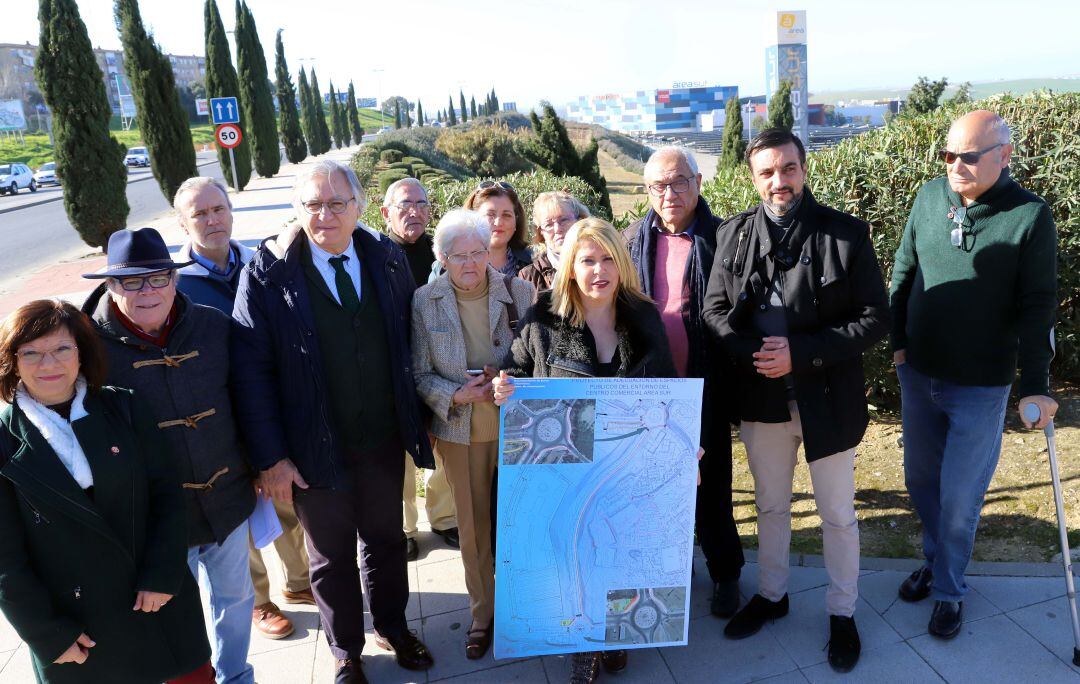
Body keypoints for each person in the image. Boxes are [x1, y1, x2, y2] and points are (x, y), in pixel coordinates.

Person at [231, 160, 436, 684]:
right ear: (298, 211)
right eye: (313, 205)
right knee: (329, 558)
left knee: (388, 541)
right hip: (310, 449)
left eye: (336, 203)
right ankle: (346, 651)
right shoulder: (267, 271)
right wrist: (270, 457)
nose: (325, 215)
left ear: (359, 207)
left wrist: (419, 419)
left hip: (381, 439)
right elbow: (250, 371)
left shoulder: (386, 258)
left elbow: (408, 345)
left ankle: (392, 625)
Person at [702, 129, 890, 673]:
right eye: (767, 172)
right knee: (771, 506)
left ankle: (842, 612)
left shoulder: (846, 234)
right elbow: (714, 312)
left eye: (787, 168)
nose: (778, 181)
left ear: (803, 169)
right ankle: (773, 594)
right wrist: (756, 353)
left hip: (827, 399)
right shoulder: (734, 235)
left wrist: (801, 354)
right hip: (761, 399)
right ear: (752, 176)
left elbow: (875, 318)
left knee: (836, 514)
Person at [889, 110, 1058, 639]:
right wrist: (897, 345)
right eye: (947, 155)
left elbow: (1037, 308)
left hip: (981, 387)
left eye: (967, 156)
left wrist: (1035, 384)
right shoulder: (927, 198)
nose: (953, 166)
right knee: (920, 483)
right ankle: (937, 562)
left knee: (960, 499)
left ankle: (948, 590)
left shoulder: (1030, 217)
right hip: (919, 376)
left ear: (1004, 155)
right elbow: (902, 271)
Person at [493, 217, 675, 684]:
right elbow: (515, 372)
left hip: (627, 458)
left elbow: (668, 392)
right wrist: (504, 389)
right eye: (588, 260)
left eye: (609, 259)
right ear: (570, 266)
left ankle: (614, 634)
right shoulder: (542, 319)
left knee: (618, 547)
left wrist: (681, 449)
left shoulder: (645, 316)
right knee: (571, 543)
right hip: (565, 462)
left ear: (622, 264)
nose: (599, 270)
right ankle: (582, 644)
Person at [0, 299, 212, 683]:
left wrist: (163, 575)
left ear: (82, 351)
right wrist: (48, 636)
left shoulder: (124, 406)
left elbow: (167, 495)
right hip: (80, 631)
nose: (49, 364)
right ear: (12, 360)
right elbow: (5, 561)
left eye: (62, 348)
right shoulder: (4, 440)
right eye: (31, 352)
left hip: (158, 601)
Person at [81, 227, 257, 684]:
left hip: (227, 498)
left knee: (236, 599)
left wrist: (261, 462)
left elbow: (248, 399)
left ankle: (235, 675)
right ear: (111, 286)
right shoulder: (88, 350)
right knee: (174, 615)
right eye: (132, 282)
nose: (148, 292)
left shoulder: (214, 326)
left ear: (175, 280)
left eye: (158, 278)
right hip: (154, 520)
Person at [173, 176, 316, 641]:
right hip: (216, 419)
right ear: (183, 222)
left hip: (271, 407)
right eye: (200, 214)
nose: (212, 220)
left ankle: (300, 582)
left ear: (231, 211)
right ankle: (259, 601)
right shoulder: (177, 288)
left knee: (287, 497)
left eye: (218, 209)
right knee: (238, 516)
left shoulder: (260, 264)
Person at [623, 146, 745, 619]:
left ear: (698, 182)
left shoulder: (724, 236)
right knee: (654, 489)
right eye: (657, 185)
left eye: (678, 182)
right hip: (650, 388)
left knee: (711, 487)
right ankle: (669, 571)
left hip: (705, 385)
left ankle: (726, 574)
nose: (668, 193)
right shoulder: (633, 238)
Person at [411, 209, 534, 659]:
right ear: (442, 257)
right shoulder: (425, 299)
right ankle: (482, 614)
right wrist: (456, 395)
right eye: (459, 255)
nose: (470, 263)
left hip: (520, 427)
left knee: (523, 521)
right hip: (461, 430)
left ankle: (527, 604)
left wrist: (509, 378)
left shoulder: (520, 291)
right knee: (474, 529)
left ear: (489, 251)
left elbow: (537, 359)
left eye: (478, 253)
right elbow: (419, 373)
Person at [380, 178, 459, 561]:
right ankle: (405, 528)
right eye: (404, 204)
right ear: (386, 213)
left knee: (442, 446)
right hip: (395, 370)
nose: (414, 211)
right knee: (402, 457)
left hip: (440, 365)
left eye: (422, 204)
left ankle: (444, 518)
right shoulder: (374, 256)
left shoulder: (440, 252)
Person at [430, 181, 532, 282]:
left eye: (506, 215)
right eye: (490, 215)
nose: (498, 222)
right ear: (472, 218)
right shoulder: (445, 267)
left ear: (516, 221)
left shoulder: (533, 263)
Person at [518, 190, 590, 292]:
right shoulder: (528, 277)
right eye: (548, 225)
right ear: (541, 232)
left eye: (564, 220)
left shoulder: (598, 263)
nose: (557, 229)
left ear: (580, 220)